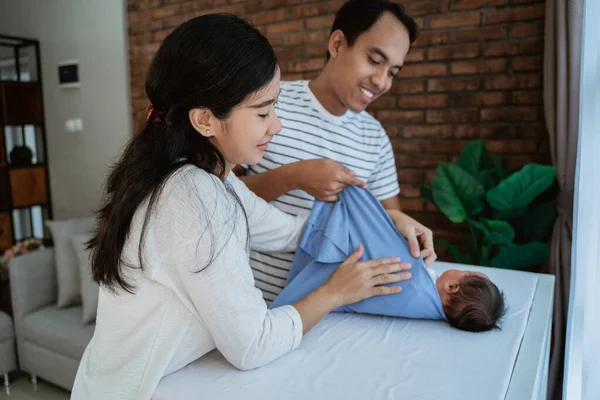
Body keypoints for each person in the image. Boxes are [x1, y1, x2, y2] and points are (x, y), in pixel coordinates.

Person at [70, 14, 414, 400]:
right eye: (263, 113)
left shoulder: (202, 174)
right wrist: (335, 292)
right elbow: (253, 345)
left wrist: (385, 222)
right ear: (204, 120)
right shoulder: (194, 195)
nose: (276, 126)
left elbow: (284, 231)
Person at [234, 0, 436, 303]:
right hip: (248, 304)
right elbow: (215, 193)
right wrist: (294, 177)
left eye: (393, 72)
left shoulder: (375, 138)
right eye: (374, 60)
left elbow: (383, 218)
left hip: (330, 317)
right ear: (338, 43)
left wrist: (401, 222)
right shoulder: (269, 105)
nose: (381, 81)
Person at [270, 185, 506, 332]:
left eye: (464, 274)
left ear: (452, 287)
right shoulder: (422, 305)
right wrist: (394, 216)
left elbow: (380, 243)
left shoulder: (414, 279)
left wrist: (357, 198)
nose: (460, 271)